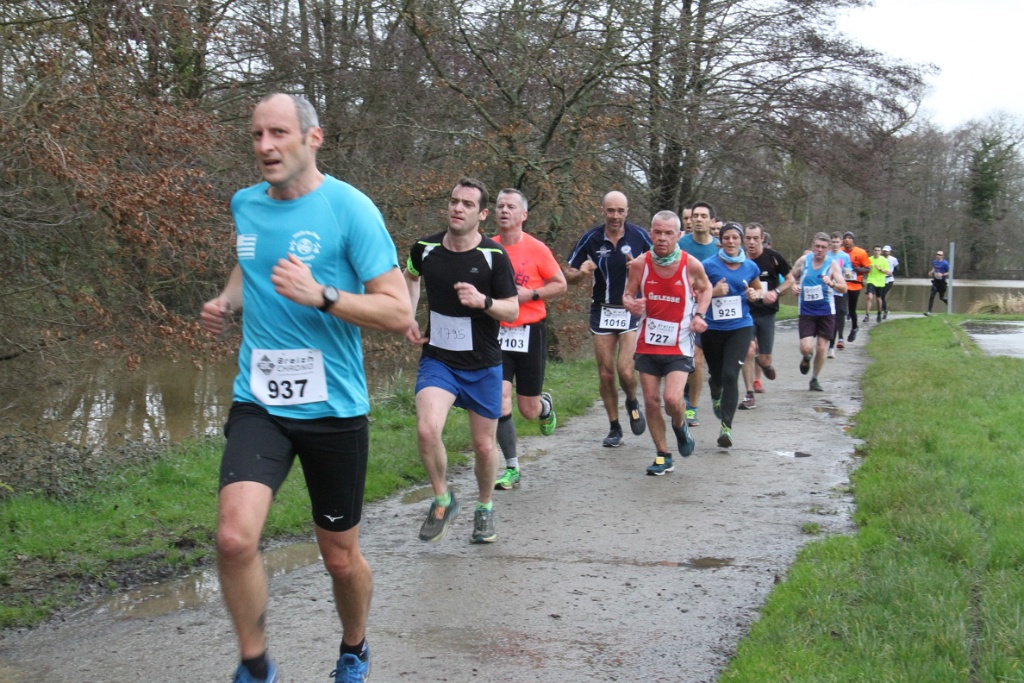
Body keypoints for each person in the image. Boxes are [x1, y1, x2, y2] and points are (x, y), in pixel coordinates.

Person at [200, 93, 413, 683]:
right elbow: (250, 261)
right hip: (260, 400)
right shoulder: (245, 204)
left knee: (340, 559)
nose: (265, 146)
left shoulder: (351, 210)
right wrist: (227, 300)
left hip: (334, 408)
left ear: (312, 138)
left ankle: (354, 647)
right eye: (256, 135)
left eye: (278, 133)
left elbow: (398, 311)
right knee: (233, 539)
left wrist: (322, 295)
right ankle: (256, 665)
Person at [404, 177, 519, 545]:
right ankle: (443, 500)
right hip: (438, 359)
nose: (457, 208)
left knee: (484, 447)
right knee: (427, 430)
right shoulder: (424, 248)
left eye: (467, 204)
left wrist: (484, 302)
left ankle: (484, 507)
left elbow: (512, 310)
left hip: (483, 364)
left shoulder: (493, 256)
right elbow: (410, 277)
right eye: (454, 201)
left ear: (482, 214)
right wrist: (408, 315)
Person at [622, 211, 711, 474]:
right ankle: (663, 454)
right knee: (651, 401)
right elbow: (627, 294)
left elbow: (706, 288)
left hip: (679, 343)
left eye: (668, 233)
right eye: (658, 232)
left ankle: (680, 426)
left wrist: (700, 315)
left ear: (678, 235)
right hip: (648, 343)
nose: (662, 238)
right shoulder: (640, 264)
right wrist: (631, 304)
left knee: (672, 399)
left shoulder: (691, 264)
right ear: (650, 233)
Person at [491, 188, 567, 490]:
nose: (503, 211)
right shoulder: (487, 248)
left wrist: (530, 294)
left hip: (530, 332)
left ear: (523, 215)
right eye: (500, 206)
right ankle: (512, 466)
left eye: (510, 207)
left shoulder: (537, 249)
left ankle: (544, 406)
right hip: (497, 332)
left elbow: (560, 284)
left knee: (528, 410)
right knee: (500, 399)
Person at [566, 191, 651, 447]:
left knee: (625, 370)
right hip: (602, 310)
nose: (615, 216)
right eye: (610, 210)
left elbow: (662, 264)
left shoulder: (639, 236)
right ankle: (614, 427)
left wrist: (642, 266)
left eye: (620, 211)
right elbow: (568, 274)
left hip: (630, 309)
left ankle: (632, 401)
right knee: (605, 373)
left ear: (627, 212)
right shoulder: (591, 238)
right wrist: (581, 273)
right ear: (602, 210)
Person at [700, 222, 763, 448]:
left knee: (730, 374)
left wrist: (755, 294)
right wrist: (713, 292)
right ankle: (715, 391)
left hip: (740, 326)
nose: (730, 241)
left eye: (735, 237)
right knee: (717, 375)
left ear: (741, 240)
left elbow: (758, 289)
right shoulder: (708, 265)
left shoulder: (750, 266)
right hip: (712, 328)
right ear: (720, 240)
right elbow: (694, 292)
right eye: (726, 237)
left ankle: (726, 428)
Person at [739, 223, 793, 410]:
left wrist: (776, 292)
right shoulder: (739, 258)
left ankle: (765, 365)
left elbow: (790, 279)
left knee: (764, 358)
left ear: (762, 239)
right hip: (746, 313)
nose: (751, 242)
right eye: (748, 238)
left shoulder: (773, 258)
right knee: (748, 350)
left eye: (755, 238)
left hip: (767, 313)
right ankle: (749, 394)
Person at [678, 201, 720, 427]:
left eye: (704, 216)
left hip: (714, 312)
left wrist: (717, 291)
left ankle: (695, 399)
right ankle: (691, 407)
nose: (698, 219)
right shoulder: (681, 245)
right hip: (685, 310)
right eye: (695, 216)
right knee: (695, 357)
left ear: (712, 221)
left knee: (708, 362)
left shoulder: (720, 248)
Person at [790, 232, 848, 391]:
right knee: (806, 347)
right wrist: (794, 285)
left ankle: (814, 379)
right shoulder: (804, 261)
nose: (820, 250)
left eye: (823, 247)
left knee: (822, 348)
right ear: (812, 246)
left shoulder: (832, 264)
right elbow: (790, 276)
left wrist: (832, 284)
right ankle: (806, 357)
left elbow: (844, 288)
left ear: (828, 249)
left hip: (826, 312)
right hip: (806, 311)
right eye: (817, 246)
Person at [840, 231, 871, 343]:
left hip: (855, 284)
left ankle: (854, 327)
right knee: (842, 309)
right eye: (845, 238)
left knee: (852, 309)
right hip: (842, 284)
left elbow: (868, 268)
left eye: (849, 238)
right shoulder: (839, 251)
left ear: (853, 240)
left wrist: (857, 270)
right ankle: (840, 336)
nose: (847, 240)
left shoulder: (861, 252)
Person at [827, 232, 854, 358]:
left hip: (838, 290)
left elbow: (849, 271)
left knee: (837, 316)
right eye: (833, 242)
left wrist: (848, 272)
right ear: (830, 242)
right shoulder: (826, 255)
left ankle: (832, 346)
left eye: (837, 242)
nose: (835, 244)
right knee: (826, 317)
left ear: (841, 243)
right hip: (826, 291)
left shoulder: (845, 256)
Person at [863, 245, 891, 324]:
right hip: (871, 280)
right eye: (875, 250)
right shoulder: (869, 259)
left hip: (880, 282)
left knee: (878, 299)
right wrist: (868, 269)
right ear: (873, 251)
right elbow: (864, 269)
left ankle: (879, 313)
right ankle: (867, 315)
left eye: (878, 250)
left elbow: (888, 272)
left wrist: (880, 269)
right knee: (869, 297)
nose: (877, 252)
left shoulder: (883, 260)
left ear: (881, 252)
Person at [925, 249, 950, 315]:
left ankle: (948, 303)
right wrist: (931, 272)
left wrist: (942, 274)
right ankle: (929, 311)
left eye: (939, 255)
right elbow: (934, 268)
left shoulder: (945, 263)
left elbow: (949, 272)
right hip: (935, 281)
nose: (937, 256)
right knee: (932, 296)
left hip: (942, 282)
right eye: (937, 254)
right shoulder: (935, 262)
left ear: (942, 256)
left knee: (941, 297)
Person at [881, 245, 899, 319]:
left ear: (890, 251)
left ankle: (884, 311)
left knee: (882, 294)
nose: (885, 252)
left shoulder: (893, 259)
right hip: (881, 279)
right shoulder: (880, 258)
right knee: (881, 295)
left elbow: (897, 268)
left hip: (889, 280)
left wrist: (892, 273)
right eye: (884, 251)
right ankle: (884, 310)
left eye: (887, 251)